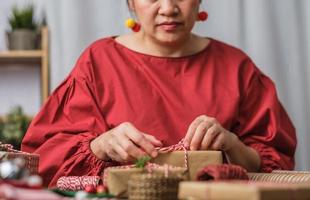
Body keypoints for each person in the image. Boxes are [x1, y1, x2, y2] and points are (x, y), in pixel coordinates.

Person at [22, 0, 296, 187]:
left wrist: (232, 144)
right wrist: (100, 146)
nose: (168, 8)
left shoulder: (237, 68)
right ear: (130, 2)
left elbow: (275, 167)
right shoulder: (98, 62)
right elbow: (43, 162)